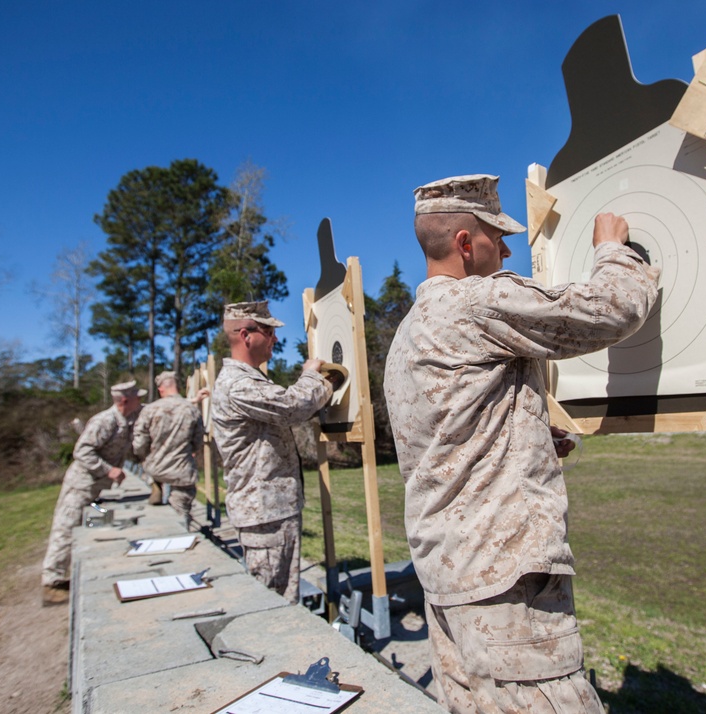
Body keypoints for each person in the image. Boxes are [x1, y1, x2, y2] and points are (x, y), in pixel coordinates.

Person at [383, 174, 660, 712]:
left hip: (447, 578)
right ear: (466, 243)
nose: (508, 248)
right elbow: (612, 310)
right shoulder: (478, 302)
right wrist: (614, 250)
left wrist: (525, 435)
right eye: (497, 236)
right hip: (503, 579)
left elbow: (448, 437)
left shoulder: (408, 332)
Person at [210, 301, 334, 604]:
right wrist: (313, 375)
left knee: (278, 596)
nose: (275, 339)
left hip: (269, 510)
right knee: (273, 604)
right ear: (246, 335)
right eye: (269, 331)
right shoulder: (238, 384)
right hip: (264, 512)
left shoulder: (247, 380)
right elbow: (293, 407)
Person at [41, 380, 145, 606]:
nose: (141, 400)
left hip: (96, 486)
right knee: (66, 529)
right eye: (137, 397)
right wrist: (109, 470)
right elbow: (82, 451)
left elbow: (154, 411)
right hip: (81, 485)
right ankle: (52, 583)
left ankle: (61, 578)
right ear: (125, 400)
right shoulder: (104, 421)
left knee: (82, 526)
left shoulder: (126, 420)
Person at [132, 371, 209, 526]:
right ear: (178, 387)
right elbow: (197, 442)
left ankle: (156, 485)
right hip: (182, 471)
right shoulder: (191, 410)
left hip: (156, 468)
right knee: (181, 514)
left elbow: (139, 443)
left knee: (159, 519)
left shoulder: (150, 410)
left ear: (161, 389)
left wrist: (145, 457)